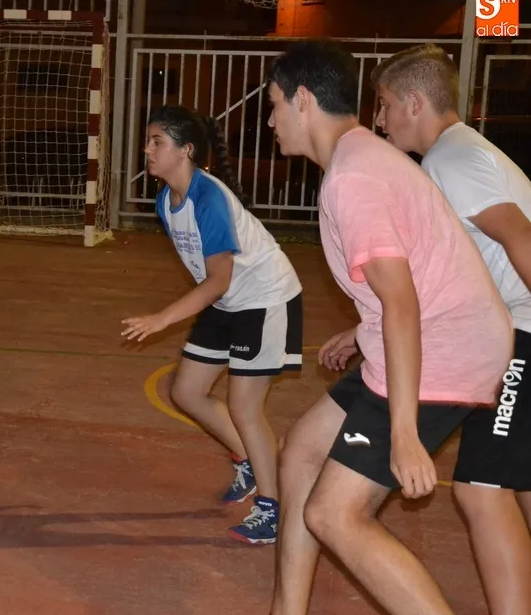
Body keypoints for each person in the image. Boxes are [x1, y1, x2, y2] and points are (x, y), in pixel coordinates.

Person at [264, 39, 513, 615]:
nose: (271, 121)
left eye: (274, 105)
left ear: (303, 100)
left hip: (442, 350)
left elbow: (401, 303)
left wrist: (404, 433)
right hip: (427, 338)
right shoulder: (358, 158)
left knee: (334, 513)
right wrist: (362, 332)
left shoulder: (353, 178)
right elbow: (409, 277)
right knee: (302, 449)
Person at [371, 43, 531, 615]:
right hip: (513, 330)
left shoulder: (451, 161)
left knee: (482, 486)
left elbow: (520, 237)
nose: (380, 119)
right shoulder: (461, 154)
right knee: (519, 478)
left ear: (415, 103)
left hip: (522, 333)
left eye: (385, 104)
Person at [122, 104, 303, 545]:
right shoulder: (165, 201)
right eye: (147, 141)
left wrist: (162, 318)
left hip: (265, 298)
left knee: (245, 407)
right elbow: (212, 278)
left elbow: (219, 278)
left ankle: (274, 510)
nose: (147, 150)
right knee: (186, 391)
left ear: (185, 150)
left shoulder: (209, 198)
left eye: (157, 142)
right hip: (228, 301)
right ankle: (248, 461)